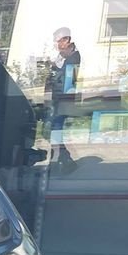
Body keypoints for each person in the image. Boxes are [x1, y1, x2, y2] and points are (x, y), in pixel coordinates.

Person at [47, 27, 81, 173]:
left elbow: (70, 79)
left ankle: (60, 161)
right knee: (53, 130)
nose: (57, 45)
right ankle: (65, 160)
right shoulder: (62, 57)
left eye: (59, 41)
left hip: (64, 99)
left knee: (55, 130)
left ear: (67, 40)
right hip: (57, 98)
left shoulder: (73, 57)